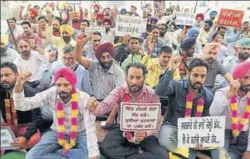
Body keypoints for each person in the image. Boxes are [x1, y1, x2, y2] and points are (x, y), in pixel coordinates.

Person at [13, 68, 99, 159]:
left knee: (93, 155)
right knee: (30, 157)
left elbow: (90, 127)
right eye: (59, 85)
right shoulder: (51, 93)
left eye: (66, 85)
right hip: (57, 132)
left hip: (80, 132)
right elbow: (22, 106)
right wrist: (19, 85)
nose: (62, 89)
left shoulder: (83, 98)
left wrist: (93, 152)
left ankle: (60, 153)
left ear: (73, 84)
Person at [87, 62, 168, 159]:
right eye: (131, 77)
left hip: (144, 132)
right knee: (105, 147)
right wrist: (94, 107)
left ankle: (127, 155)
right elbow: (104, 106)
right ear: (126, 77)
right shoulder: (119, 90)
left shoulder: (152, 94)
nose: (134, 82)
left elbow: (157, 120)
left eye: (138, 78)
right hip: (123, 130)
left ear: (144, 78)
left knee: (162, 155)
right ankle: (138, 153)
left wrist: (145, 133)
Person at [156, 58, 217, 159]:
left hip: (192, 131)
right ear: (188, 73)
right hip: (172, 127)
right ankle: (194, 154)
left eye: (203, 76)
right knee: (164, 139)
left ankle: (185, 152)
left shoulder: (208, 95)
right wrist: (170, 70)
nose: (199, 79)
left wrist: (200, 137)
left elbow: (205, 119)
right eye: (195, 75)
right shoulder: (176, 85)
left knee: (213, 143)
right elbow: (160, 91)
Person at [210, 61, 250, 159]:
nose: (249, 82)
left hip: (244, 135)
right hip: (224, 133)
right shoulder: (222, 92)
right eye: (245, 78)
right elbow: (213, 113)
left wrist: (249, 150)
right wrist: (229, 95)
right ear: (237, 78)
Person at [0, 62, 42, 153]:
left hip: (26, 126)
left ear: (17, 75)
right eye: (1, 76)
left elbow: (37, 119)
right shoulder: (2, 90)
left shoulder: (29, 91)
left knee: (33, 140)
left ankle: (15, 146)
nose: (3, 79)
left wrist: (25, 137)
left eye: (7, 75)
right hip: (8, 126)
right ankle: (12, 146)